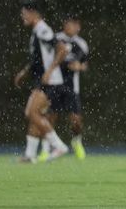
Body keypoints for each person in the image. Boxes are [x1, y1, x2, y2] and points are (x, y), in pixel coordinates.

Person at [12, 0, 70, 163]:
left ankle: (58, 145)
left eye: (24, 13)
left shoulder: (42, 29)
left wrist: (50, 70)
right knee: (35, 114)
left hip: (50, 81)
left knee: (32, 112)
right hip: (44, 80)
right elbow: (38, 58)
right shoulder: (37, 30)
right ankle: (30, 155)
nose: (22, 17)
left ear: (33, 13)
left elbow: (62, 49)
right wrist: (25, 72)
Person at [38, 14, 89, 161]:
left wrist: (79, 66)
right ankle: (46, 149)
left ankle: (76, 141)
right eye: (69, 23)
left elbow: (85, 64)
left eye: (75, 24)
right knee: (50, 117)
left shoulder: (82, 44)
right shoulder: (56, 38)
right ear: (64, 24)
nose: (72, 27)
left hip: (72, 87)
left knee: (76, 120)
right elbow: (45, 57)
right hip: (54, 84)